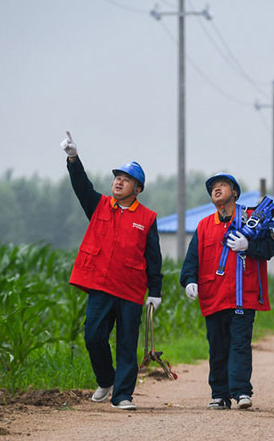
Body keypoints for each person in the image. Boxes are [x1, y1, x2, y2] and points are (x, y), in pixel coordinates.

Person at [61, 135, 163, 411]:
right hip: (101, 286)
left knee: (127, 345)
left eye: (126, 179)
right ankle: (106, 380)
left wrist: (155, 291)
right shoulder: (99, 205)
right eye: (117, 177)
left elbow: (154, 257)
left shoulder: (147, 218)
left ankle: (122, 396)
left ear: (137, 189)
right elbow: (81, 186)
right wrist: (73, 159)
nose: (118, 181)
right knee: (93, 336)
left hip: (130, 290)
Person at [180, 173, 274, 410]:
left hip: (242, 296)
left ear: (235, 192)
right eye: (213, 187)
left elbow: (271, 247)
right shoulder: (204, 225)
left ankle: (242, 391)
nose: (216, 189)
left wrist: (250, 246)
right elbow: (192, 258)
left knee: (240, 345)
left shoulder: (252, 218)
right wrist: (189, 280)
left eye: (222, 185)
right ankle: (220, 395)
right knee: (217, 347)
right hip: (213, 296)